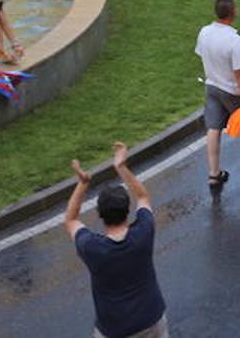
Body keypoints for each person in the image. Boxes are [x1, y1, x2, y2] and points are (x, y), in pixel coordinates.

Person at [64, 142, 167, 338]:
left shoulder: (91, 247)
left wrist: (83, 183)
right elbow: (143, 196)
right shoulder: (144, 232)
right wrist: (121, 166)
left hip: (115, 330)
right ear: (128, 210)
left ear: (100, 214)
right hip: (152, 320)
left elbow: (71, 219)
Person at [195, 0, 240, 191]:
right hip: (234, 91)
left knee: (213, 129)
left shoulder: (204, 32)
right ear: (233, 12)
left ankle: (214, 173)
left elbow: (202, 53)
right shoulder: (234, 40)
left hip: (212, 86)